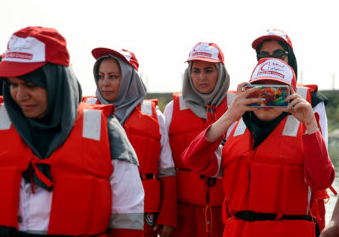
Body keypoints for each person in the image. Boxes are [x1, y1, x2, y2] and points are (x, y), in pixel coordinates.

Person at [0, 26, 144, 237]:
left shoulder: (105, 132)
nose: (20, 95)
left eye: (31, 85)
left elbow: (128, 218)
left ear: (57, 83)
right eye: (13, 84)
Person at [181, 57, 335, 237]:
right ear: (247, 92)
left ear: (292, 95)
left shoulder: (307, 133)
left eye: (276, 92)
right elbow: (192, 159)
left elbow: (322, 181)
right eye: (259, 92)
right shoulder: (233, 132)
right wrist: (230, 115)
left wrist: (311, 124)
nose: (266, 99)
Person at [83, 47, 177, 237]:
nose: (105, 83)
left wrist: (167, 216)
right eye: (101, 76)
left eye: (113, 76)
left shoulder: (155, 117)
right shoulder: (84, 113)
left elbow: (167, 170)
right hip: (93, 206)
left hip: (141, 214)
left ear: (128, 78)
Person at [252, 29, 332, 230]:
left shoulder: (312, 100)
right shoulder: (246, 99)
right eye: (264, 56)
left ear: (291, 58)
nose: (273, 60)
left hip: (302, 208)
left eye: (279, 54)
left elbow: (321, 163)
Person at [163, 42, 232, 237]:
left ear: (220, 72)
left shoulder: (237, 107)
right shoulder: (171, 109)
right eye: (196, 71)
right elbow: (164, 165)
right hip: (185, 213)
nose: (202, 77)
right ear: (189, 74)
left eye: (209, 70)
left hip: (227, 211)